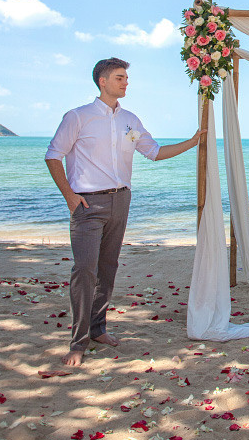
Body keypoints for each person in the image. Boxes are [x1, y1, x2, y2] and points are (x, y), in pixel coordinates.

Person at [46, 57, 203, 367]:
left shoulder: (130, 120)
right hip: (88, 205)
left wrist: (193, 141)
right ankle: (77, 344)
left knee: (108, 269)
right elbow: (53, 155)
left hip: (121, 200)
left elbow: (154, 152)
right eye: (119, 77)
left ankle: (98, 329)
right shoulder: (78, 117)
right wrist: (69, 196)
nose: (125, 82)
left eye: (126, 78)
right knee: (85, 271)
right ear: (102, 81)